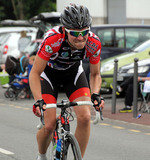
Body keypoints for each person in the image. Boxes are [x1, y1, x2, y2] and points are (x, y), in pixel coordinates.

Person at [29, 4, 104, 160]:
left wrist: (96, 94)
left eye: (84, 32)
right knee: (49, 125)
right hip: (48, 76)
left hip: (73, 74)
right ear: (64, 30)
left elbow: (95, 74)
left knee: (84, 117)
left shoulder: (94, 43)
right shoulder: (52, 39)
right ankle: (42, 155)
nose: (80, 37)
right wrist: (38, 101)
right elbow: (35, 73)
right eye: (75, 33)